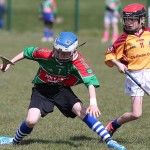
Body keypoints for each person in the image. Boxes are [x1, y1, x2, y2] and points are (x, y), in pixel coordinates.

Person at [0, 32, 126, 150]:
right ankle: (14, 141)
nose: (60, 55)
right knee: (30, 120)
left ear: (74, 51)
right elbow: (27, 52)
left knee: (81, 110)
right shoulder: (46, 54)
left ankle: (109, 140)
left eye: (65, 53)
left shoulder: (78, 62)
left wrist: (93, 103)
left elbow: (90, 82)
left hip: (61, 89)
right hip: (41, 90)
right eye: (58, 51)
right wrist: (10, 63)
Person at [104, 3, 150, 137]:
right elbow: (109, 54)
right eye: (126, 19)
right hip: (135, 75)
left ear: (142, 20)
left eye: (132, 20)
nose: (128, 23)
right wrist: (118, 64)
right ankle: (113, 125)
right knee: (136, 114)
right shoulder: (124, 38)